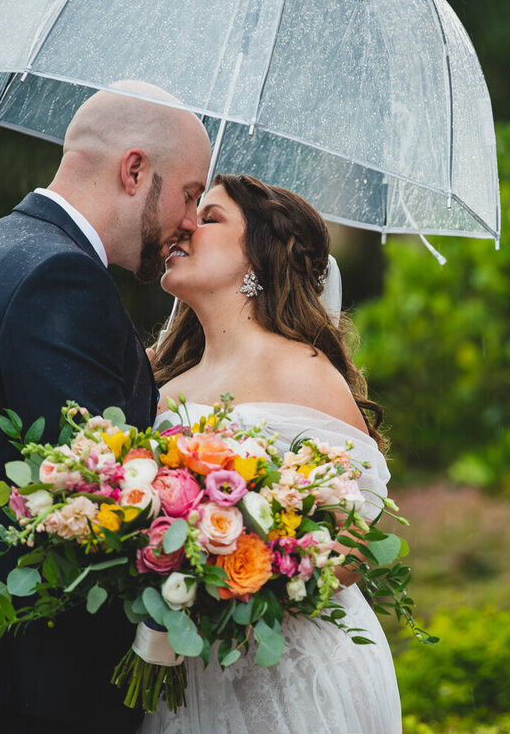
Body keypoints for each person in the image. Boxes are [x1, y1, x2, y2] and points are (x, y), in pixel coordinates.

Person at [0, 82, 212, 734]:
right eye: (191, 194)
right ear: (135, 169)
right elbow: (104, 495)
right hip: (20, 687)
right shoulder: (58, 279)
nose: (192, 222)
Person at [141, 173, 402, 734]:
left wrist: (245, 568)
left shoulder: (300, 370)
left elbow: (359, 544)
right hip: (188, 676)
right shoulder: (159, 385)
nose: (184, 227)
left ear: (257, 255)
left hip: (292, 680)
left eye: (209, 218)